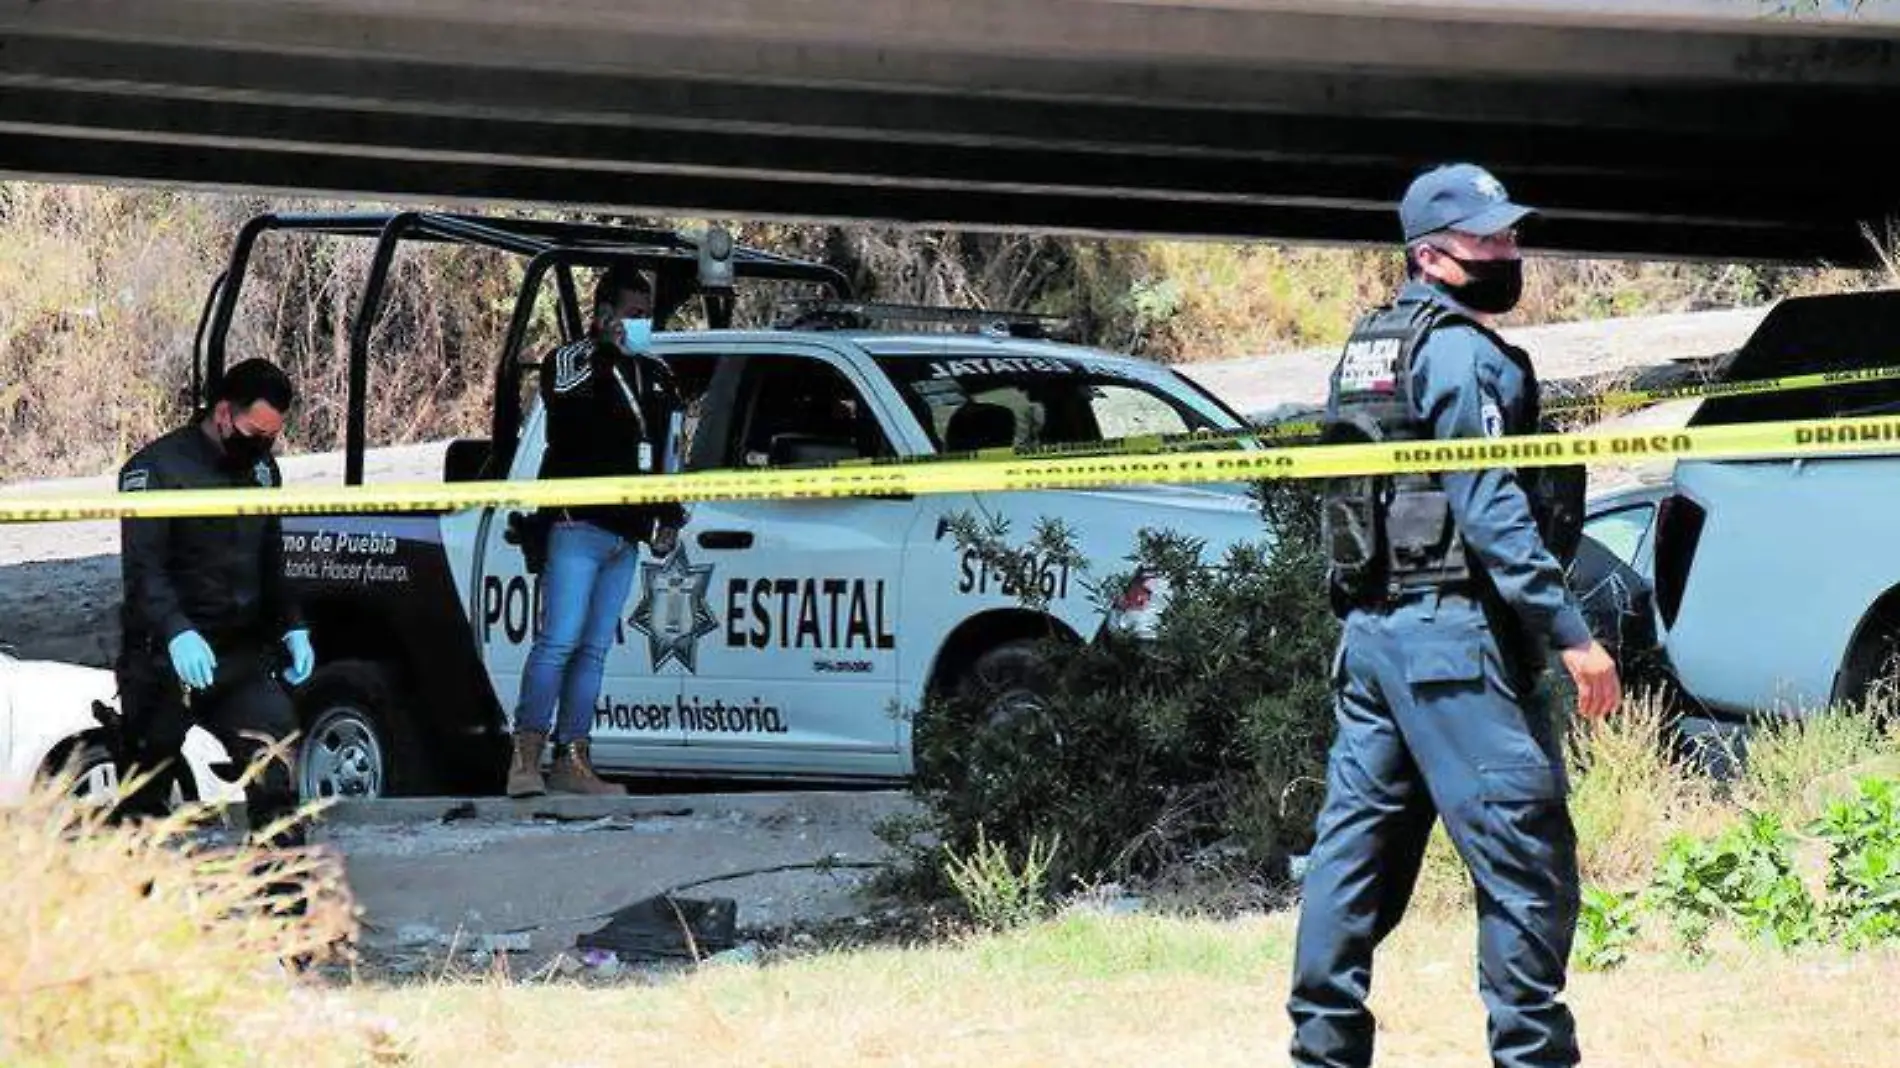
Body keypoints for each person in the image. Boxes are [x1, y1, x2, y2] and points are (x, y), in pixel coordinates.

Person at [1287, 163, 1622, 1068]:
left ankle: (1321, 1053)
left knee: (1353, 859)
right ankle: (1533, 1056)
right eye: (1489, 240)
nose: (1510, 251)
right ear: (1433, 257)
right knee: (1524, 852)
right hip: (1455, 640)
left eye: (1512, 235)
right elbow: (1493, 509)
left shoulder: (1372, 345)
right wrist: (1572, 635)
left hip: (1373, 642)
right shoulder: (1459, 353)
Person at [112, 357, 313, 850]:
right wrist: (176, 629)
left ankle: (285, 908)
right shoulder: (153, 470)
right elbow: (144, 570)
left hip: (238, 655)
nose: (262, 445)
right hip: (163, 656)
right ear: (223, 414)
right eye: (253, 432)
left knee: (276, 764)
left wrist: (293, 624)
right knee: (145, 790)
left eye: (271, 436)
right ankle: (131, 904)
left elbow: (271, 554)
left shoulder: (263, 471)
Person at [505, 264, 687, 798]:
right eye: (632, 315)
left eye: (647, 316)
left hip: (625, 534)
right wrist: (601, 346)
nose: (641, 325)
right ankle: (525, 758)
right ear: (605, 314)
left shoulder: (655, 374)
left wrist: (669, 516)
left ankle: (574, 757)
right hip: (575, 524)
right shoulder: (571, 362)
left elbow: (669, 451)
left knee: (594, 649)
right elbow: (559, 387)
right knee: (557, 641)